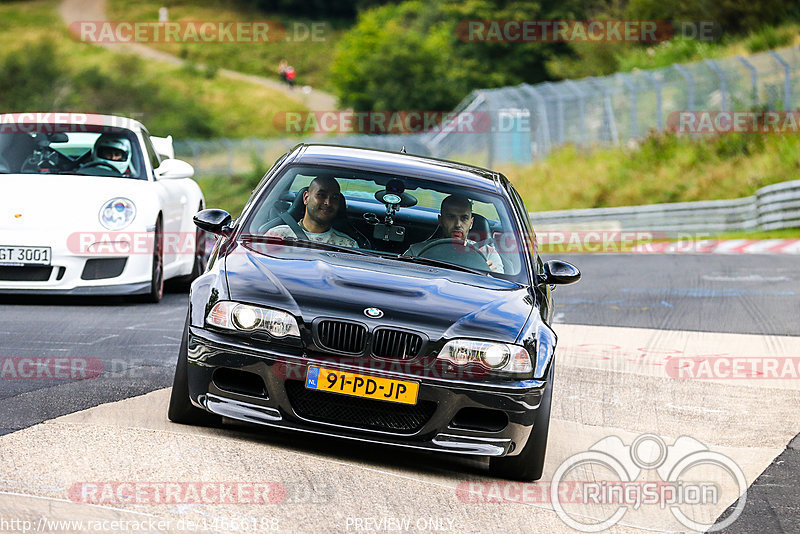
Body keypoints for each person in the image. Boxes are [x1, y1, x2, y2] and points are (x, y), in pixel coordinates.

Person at [406, 194, 504, 273]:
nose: (458, 224)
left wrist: (490, 275)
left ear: (471, 223)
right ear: (441, 220)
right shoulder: (416, 252)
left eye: (464, 218)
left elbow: (500, 290)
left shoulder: (488, 254)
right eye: (451, 217)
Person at [266, 176, 358, 248]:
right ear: (306, 198)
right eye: (321, 195)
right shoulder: (278, 235)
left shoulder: (348, 245)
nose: (328, 203)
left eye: (334, 198)